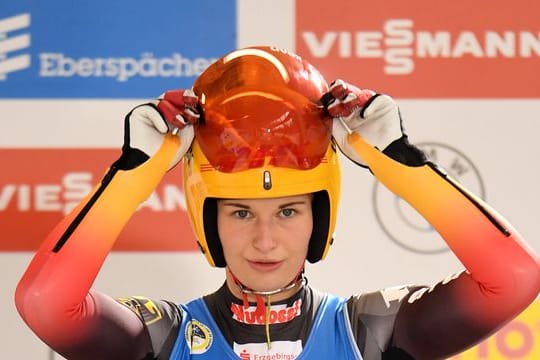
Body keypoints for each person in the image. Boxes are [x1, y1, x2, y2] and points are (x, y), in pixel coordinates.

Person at [15, 45, 540, 360]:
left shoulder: (367, 332)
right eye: (241, 212)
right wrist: (136, 172)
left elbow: (512, 279)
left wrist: (396, 160)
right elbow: (45, 304)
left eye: (288, 211)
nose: (264, 240)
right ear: (208, 220)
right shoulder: (164, 336)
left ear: (319, 217)